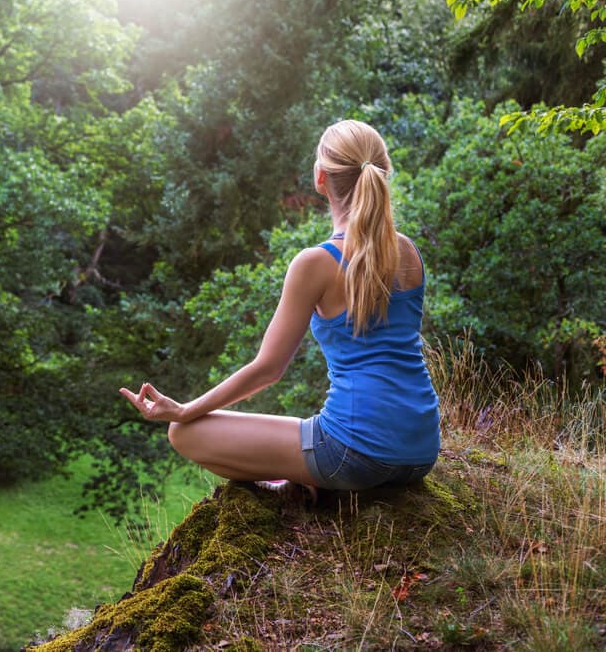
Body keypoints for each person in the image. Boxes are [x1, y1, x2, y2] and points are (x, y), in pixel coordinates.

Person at [120, 120, 440, 498]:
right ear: (383, 173)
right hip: (421, 450)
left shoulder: (315, 263)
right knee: (325, 429)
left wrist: (185, 410)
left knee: (184, 433)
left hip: (353, 455)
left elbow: (268, 369)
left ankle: (306, 484)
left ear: (320, 177)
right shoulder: (408, 251)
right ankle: (312, 478)